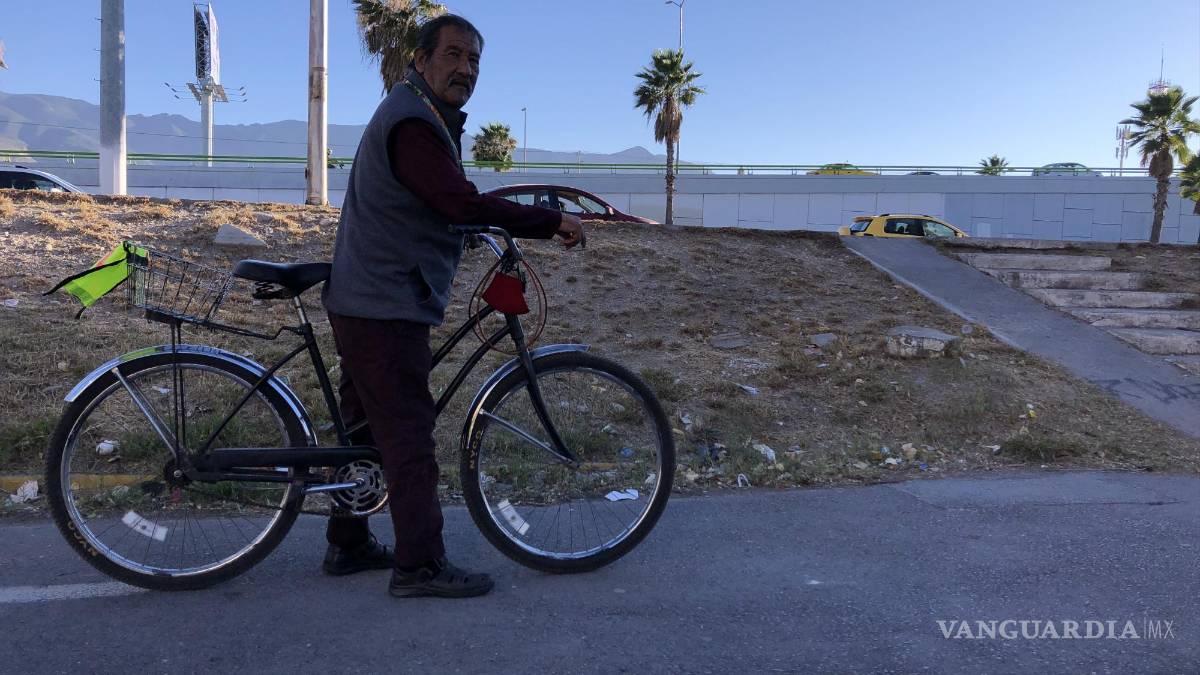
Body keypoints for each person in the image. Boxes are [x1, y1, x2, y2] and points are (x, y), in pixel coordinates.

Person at [320, 14, 584, 599]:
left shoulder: (418, 113)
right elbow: (455, 199)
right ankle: (419, 566)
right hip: (384, 300)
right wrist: (547, 220)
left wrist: (461, 227)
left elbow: (431, 203)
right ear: (420, 59)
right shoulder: (414, 121)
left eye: (475, 61)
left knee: (364, 428)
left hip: (368, 294)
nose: (465, 68)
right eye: (454, 55)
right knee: (408, 434)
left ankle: (348, 541)